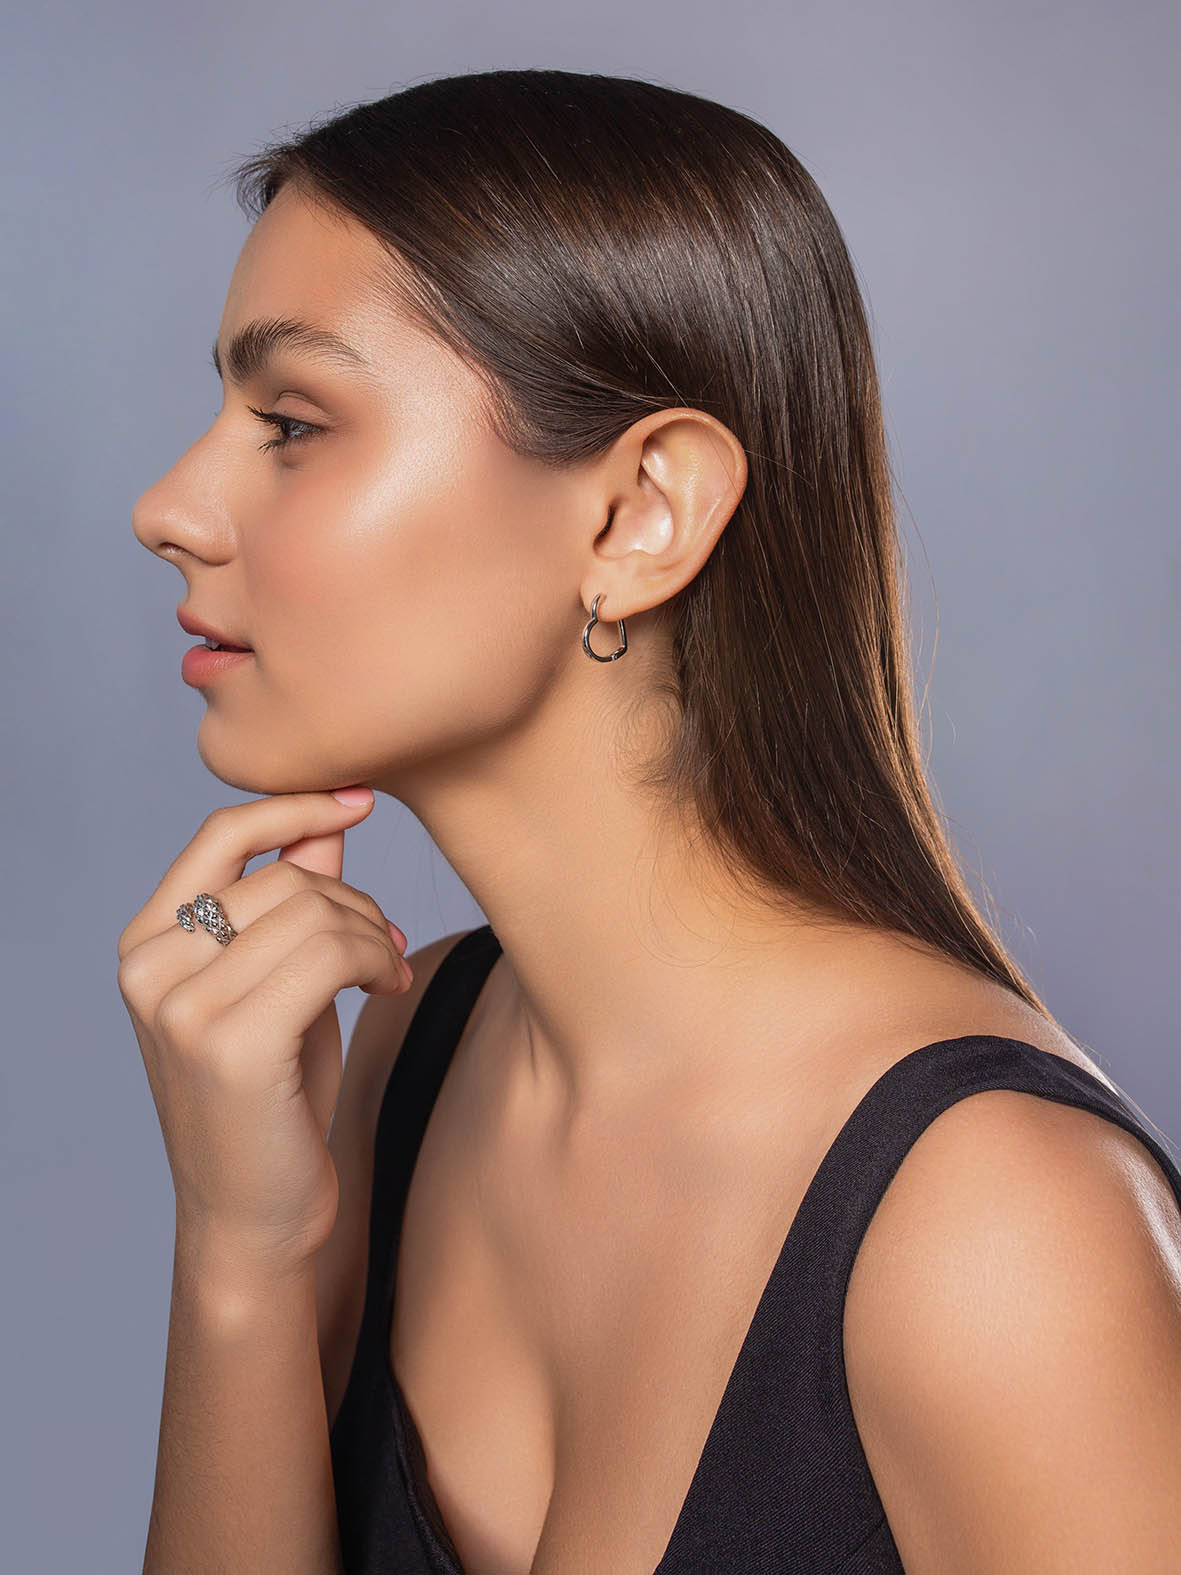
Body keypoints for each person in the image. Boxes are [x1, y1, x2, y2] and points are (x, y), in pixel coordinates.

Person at [119, 67, 1181, 1574]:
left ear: (639, 516)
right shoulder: (416, 1050)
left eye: (291, 422)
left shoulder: (999, 1230)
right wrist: (241, 1256)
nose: (169, 507)